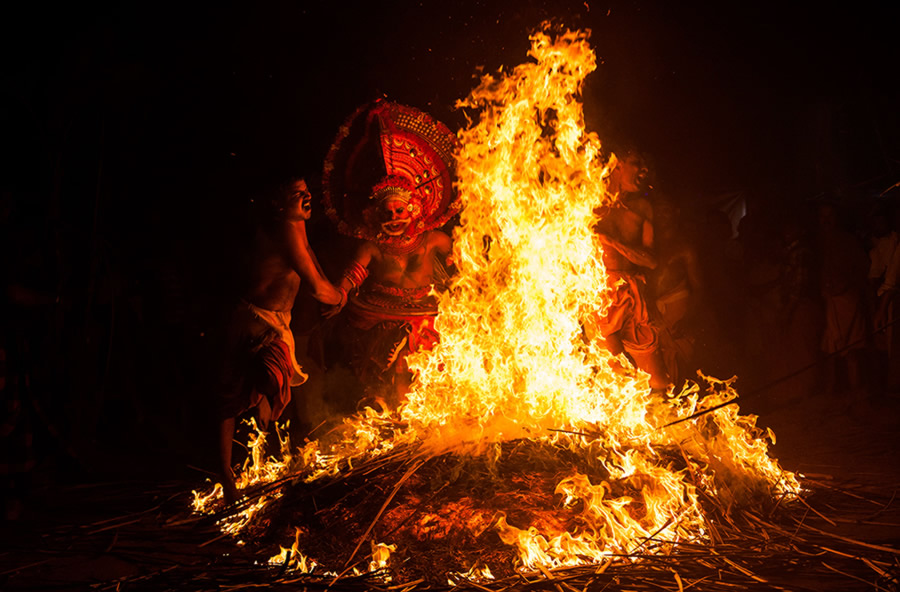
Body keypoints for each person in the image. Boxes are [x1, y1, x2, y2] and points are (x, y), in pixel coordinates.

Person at [321, 100, 460, 409]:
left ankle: (423, 411)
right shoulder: (372, 246)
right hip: (379, 314)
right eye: (387, 212)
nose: (394, 217)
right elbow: (352, 275)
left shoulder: (434, 239)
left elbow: (465, 261)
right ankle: (383, 409)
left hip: (425, 312)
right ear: (375, 215)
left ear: (413, 209)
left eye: (399, 210)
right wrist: (340, 294)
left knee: (422, 365)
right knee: (384, 363)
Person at [215, 177, 343, 504]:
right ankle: (227, 475)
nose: (307, 196)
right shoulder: (285, 230)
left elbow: (312, 264)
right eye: (297, 193)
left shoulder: (296, 227)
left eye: (306, 190)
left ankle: (262, 454)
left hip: (275, 321)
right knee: (235, 395)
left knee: (265, 387)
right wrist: (339, 296)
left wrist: (336, 294)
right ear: (279, 204)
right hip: (253, 320)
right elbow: (315, 286)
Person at [592, 150, 670, 392]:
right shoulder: (588, 201)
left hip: (632, 292)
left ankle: (664, 426)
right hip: (599, 295)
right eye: (637, 163)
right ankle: (617, 425)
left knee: (658, 381)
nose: (643, 170)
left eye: (645, 165)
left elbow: (651, 260)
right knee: (619, 376)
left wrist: (613, 242)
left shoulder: (643, 208)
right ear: (618, 165)